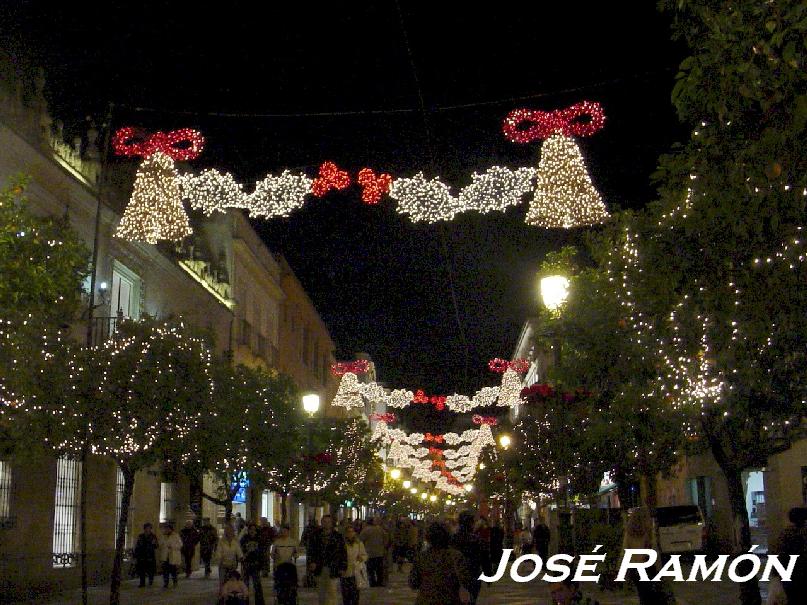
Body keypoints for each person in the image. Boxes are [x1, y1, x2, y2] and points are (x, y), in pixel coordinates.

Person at [409, 522, 471, 605]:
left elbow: (413, 583)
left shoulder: (422, 557)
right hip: (450, 600)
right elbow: (465, 580)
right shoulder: (456, 556)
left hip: (426, 600)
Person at [621, 507, 674, 605]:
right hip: (647, 568)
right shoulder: (648, 532)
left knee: (643, 595)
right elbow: (654, 552)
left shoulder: (629, 533)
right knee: (651, 596)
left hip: (634, 569)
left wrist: (623, 573)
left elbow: (624, 553)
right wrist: (661, 572)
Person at [450, 510, 492, 605]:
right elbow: (485, 559)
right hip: (473, 574)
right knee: (471, 599)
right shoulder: (477, 540)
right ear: (472, 523)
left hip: (455, 575)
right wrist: (488, 575)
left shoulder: (452, 539)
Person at [307, 514, 347, 605]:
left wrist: (343, 567)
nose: (326, 524)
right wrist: (311, 562)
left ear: (332, 523)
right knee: (321, 593)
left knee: (332, 592)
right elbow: (311, 551)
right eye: (324, 522)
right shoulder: (315, 536)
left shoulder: (337, 537)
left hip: (333, 567)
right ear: (321, 523)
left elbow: (343, 553)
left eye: (328, 522)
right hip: (319, 567)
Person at [771, 506, 807, 603]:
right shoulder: (802, 534)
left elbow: (779, 554)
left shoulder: (785, 533)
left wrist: (776, 573)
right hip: (798, 575)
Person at [272, 525, 299, 605]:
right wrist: (275, 557)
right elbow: (272, 553)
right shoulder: (277, 542)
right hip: (279, 565)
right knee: (280, 583)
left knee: (291, 583)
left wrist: (295, 555)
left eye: (285, 531)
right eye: (282, 531)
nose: (284, 533)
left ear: (288, 532)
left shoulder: (293, 542)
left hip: (290, 566)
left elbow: (296, 553)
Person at [240, 522, 266, 605]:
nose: (252, 531)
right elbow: (240, 550)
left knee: (257, 585)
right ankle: (245, 602)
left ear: (256, 531)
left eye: (254, 530)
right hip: (246, 563)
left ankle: (259, 602)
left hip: (255, 563)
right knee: (245, 584)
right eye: (250, 529)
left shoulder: (259, 539)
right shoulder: (244, 538)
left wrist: (261, 564)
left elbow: (262, 552)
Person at [341, 525, 368, 605]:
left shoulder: (359, 544)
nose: (350, 534)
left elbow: (365, 555)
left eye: (352, 532)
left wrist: (362, 558)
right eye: (348, 532)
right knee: (346, 596)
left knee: (355, 596)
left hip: (355, 573)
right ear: (345, 533)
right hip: (345, 573)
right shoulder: (342, 544)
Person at [359, 517, 387, 587]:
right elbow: (386, 537)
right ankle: (380, 582)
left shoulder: (365, 530)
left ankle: (373, 582)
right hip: (379, 552)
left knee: (370, 570)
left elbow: (360, 540)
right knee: (379, 569)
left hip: (369, 552)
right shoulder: (380, 529)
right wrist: (384, 545)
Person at [133, 522, 159, 587]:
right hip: (142, 555)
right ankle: (142, 583)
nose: (148, 529)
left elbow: (156, 546)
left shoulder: (153, 536)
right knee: (142, 570)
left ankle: (150, 581)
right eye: (146, 528)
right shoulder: (141, 536)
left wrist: (154, 544)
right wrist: (135, 555)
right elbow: (138, 545)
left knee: (150, 570)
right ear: (144, 529)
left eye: (149, 528)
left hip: (150, 555)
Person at [158, 523, 182, 588]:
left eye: (168, 529)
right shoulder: (163, 536)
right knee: (165, 571)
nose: (166, 530)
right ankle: (166, 583)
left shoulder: (176, 536)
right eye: (165, 529)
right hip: (165, 556)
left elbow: (180, 545)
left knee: (173, 570)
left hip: (172, 556)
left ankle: (175, 582)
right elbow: (159, 544)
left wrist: (172, 546)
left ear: (171, 529)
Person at [301, 517, 320, 587]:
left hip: (316, 549)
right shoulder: (308, 529)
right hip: (310, 549)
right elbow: (304, 538)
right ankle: (310, 580)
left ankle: (314, 580)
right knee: (309, 565)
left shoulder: (317, 529)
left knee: (315, 565)